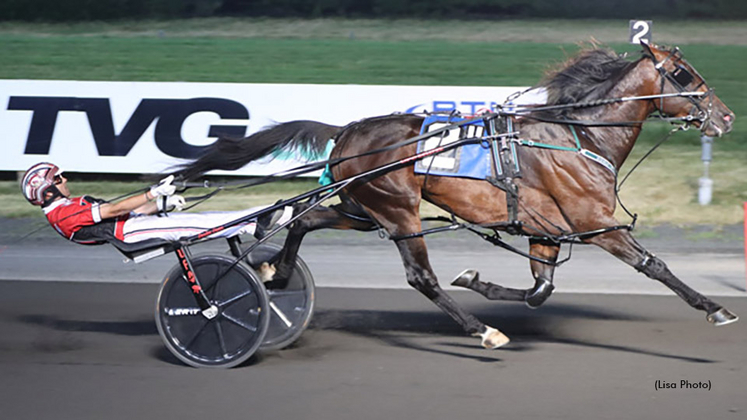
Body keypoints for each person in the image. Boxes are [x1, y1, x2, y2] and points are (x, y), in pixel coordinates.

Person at [21, 162, 292, 246]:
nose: (64, 179)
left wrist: (164, 203)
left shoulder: (67, 208)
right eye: (57, 179)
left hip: (133, 225)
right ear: (46, 192)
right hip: (129, 233)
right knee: (202, 223)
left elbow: (128, 211)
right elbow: (114, 210)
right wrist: (152, 193)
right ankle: (256, 223)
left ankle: (267, 213)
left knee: (211, 215)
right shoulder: (64, 214)